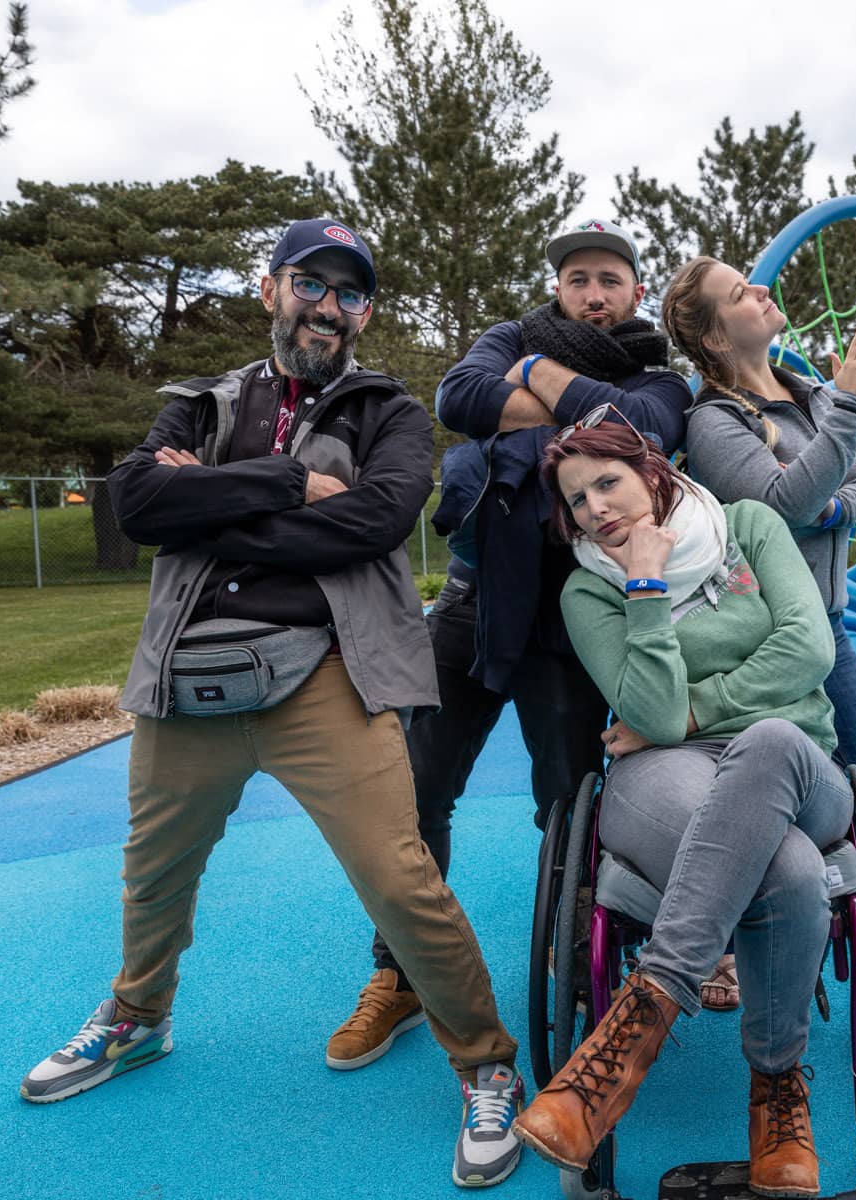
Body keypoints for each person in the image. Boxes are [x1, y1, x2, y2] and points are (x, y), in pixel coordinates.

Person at [18, 219, 526, 1190]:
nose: (330, 306)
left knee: (399, 875)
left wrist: (211, 512)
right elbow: (137, 505)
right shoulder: (200, 404)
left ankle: (485, 1064)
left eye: (352, 293)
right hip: (188, 680)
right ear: (270, 290)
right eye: (312, 283)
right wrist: (293, 483)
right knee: (155, 876)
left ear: (366, 312)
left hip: (327, 676)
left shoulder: (392, 412)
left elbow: (377, 520)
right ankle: (139, 1020)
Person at [324, 220, 692, 1074]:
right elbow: (458, 399)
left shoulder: (659, 376)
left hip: (575, 618)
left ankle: (576, 967)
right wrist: (560, 396)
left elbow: (636, 426)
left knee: (568, 806)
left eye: (609, 278)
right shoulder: (504, 337)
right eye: (577, 280)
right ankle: (402, 976)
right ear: (557, 288)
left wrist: (526, 384)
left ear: (635, 290)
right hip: (471, 605)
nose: (592, 294)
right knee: (414, 796)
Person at [511, 410, 851, 1199]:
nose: (595, 507)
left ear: (653, 473)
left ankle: (633, 1030)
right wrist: (646, 586)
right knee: (792, 871)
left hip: (799, 763)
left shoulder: (750, 527)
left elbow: (809, 649)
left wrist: (701, 711)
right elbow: (654, 719)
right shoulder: (588, 593)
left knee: (767, 742)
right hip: (669, 776)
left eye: (608, 482)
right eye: (578, 499)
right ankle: (776, 1094)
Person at [662, 254, 856, 1002]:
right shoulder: (714, 421)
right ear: (714, 340)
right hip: (760, 638)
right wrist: (847, 417)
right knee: (759, 795)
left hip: (826, 625)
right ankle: (725, 939)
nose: (763, 290)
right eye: (741, 293)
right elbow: (777, 504)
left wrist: (835, 503)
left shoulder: (809, 394)